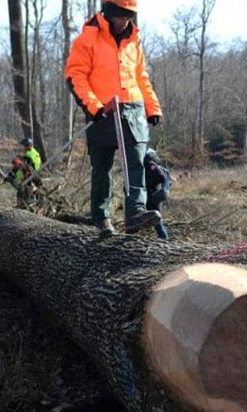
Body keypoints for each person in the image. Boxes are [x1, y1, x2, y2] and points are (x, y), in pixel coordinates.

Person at [65, 0, 163, 237]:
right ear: (108, 11)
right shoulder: (87, 38)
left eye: (128, 15)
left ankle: (136, 213)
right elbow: (75, 75)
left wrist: (152, 106)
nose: (123, 20)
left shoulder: (134, 40)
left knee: (136, 163)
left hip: (133, 108)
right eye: (119, 14)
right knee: (101, 167)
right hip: (103, 112)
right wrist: (94, 106)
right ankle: (100, 218)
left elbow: (141, 76)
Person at [144, 148, 171, 239]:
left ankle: (164, 239)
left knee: (157, 221)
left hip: (153, 195)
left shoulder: (149, 164)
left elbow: (161, 177)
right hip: (156, 194)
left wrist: (147, 184)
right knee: (157, 219)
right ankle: (165, 237)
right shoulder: (153, 164)